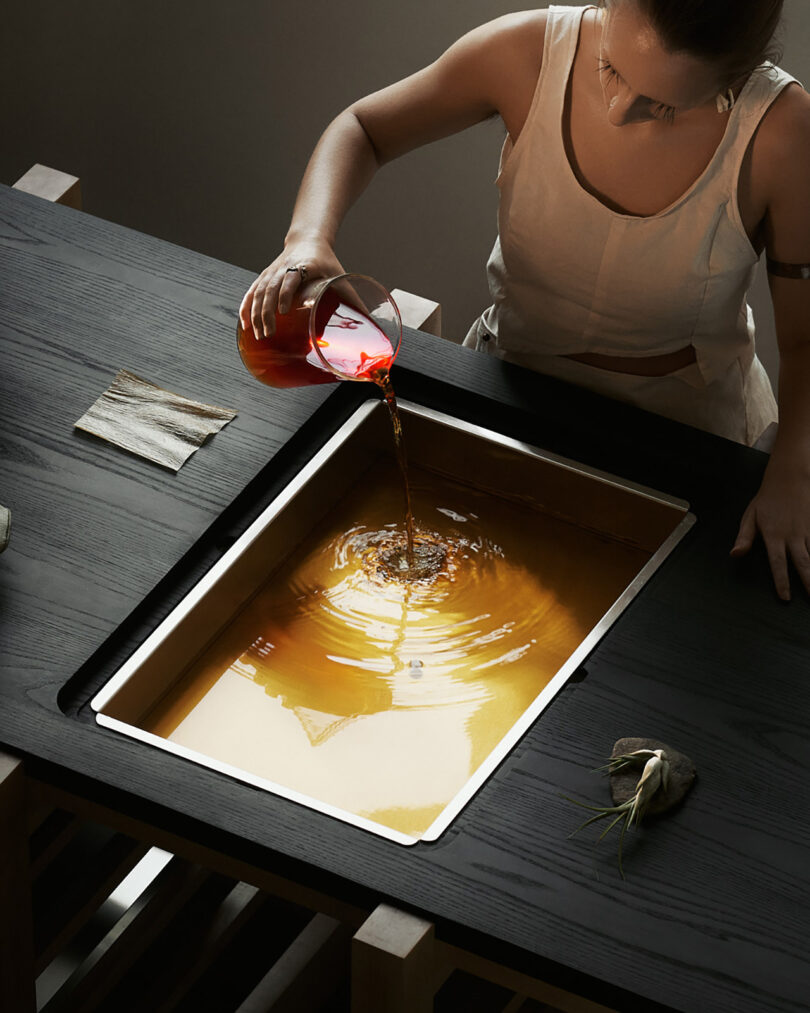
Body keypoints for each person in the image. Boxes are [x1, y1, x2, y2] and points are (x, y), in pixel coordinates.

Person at [239, 0, 810, 601]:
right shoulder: (527, 52)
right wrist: (308, 236)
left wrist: (792, 471)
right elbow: (364, 128)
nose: (617, 111)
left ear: (735, 80)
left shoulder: (782, 132)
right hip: (508, 396)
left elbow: (803, 340)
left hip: (684, 439)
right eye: (610, 69)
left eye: (662, 106)